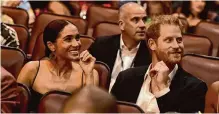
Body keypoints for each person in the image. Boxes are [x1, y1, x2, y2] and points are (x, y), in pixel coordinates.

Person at [111, 15, 207, 113]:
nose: (176, 46)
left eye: (179, 40)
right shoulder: (126, 78)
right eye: (168, 40)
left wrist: (163, 90)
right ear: (152, 44)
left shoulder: (195, 88)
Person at [17, 19, 99, 112]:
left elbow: (91, 111)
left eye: (77, 38)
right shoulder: (32, 69)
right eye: (68, 39)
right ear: (51, 45)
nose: (76, 44)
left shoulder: (90, 74)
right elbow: (15, 107)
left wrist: (88, 74)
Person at [89, 2, 151, 91]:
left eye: (144, 20)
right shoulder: (101, 45)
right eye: (135, 20)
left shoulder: (151, 51)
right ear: (122, 24)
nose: (142, 25)